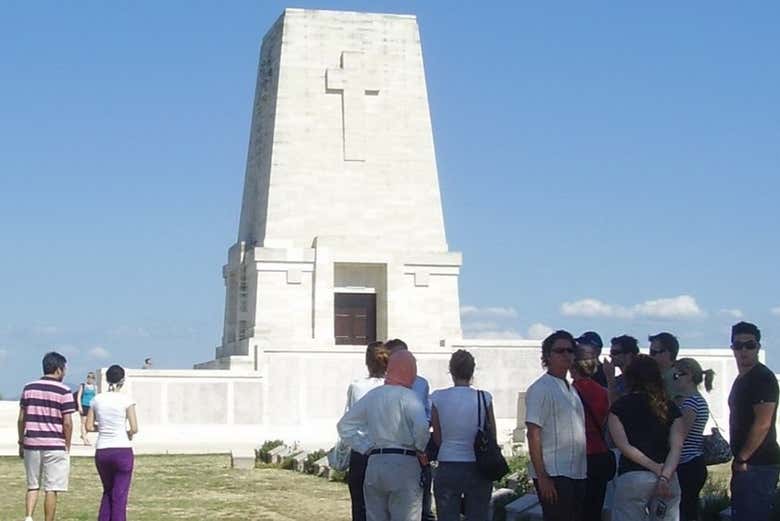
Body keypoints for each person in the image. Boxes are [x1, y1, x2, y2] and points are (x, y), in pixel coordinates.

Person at [337, 350, 430, 521]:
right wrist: (419, 447)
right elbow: (422, 427)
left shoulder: (374, 395)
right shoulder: (409, 397)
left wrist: (365, 447)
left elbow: (344, 426)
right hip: (405, 461)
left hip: (375, 462)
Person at [608, 354, 685, 521]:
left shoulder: (619, 407)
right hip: (668, 474)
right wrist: (664, 474)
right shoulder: (670, 407)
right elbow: (677, 447)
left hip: (633, 475)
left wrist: (653, 466)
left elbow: (624, 446)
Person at [525, 330, 587, 521]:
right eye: (560, 350)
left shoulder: (572, 389)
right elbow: (533, 433)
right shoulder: (539, 389)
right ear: (547, 356)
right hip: (553, 472)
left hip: (577, 471)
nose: (566, 355)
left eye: (570, 350)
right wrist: (542, 476)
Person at [430, 350, 494, 521]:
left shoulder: (437, 397)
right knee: (478, 515)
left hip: (448, 462)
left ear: (450, 370)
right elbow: (491, 433)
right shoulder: (484, 397)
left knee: (447, 516)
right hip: (477, 465)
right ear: (473, 370)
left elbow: (437, 437)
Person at [727, 321, 780, 521]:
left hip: (759, 464)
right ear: (732, 348)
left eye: (749, 345)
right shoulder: (741, 379)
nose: (744, 350)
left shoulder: (762, 378)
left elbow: (763, 423)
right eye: (738, 345)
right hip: (746, 464)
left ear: (758, 346)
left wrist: (743, 458)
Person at [17, 351, 77, 521]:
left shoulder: (29, 388)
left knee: (33, 485)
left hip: (32, 442)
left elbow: (22, 418)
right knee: (51, 488)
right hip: (55, 443)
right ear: (58, 369)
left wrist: (21, 441)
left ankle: (28, 517)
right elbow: (67, 422)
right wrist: (67, 444)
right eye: (64, 369)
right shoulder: (64, 391)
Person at [385, 338, 435, 521]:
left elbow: (427, 413)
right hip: (393, 447)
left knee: (422, 499)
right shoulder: (383, 386)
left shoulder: (421, 383)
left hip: (417, 448)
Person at [345, 342, 391, 521]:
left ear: (367, 362)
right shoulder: (396, 389)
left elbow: (348, 422)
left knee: (360, 509)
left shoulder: (357, 387)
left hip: (362, 453)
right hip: (387, 452)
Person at [86, 364, 138, 521]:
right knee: (120, 496)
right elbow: (134, 427)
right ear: (122, 380)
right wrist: (128, 433)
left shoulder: (97, 399)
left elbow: (88, 426)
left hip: (103, 450)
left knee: (108, 491)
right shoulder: (126, 400)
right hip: (122, 449)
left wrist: (101, 427)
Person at [571, 341, 614, 521]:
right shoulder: (604, 392)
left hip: (578, 455)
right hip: (600, 454)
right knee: (594, 509)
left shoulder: (569, 392)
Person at [672, 358, 714, 521]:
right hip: (693, 462)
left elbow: (681, 434)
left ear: (688, 375)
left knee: (685, 511)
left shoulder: (691, 403)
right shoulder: (696, 400)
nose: (674, 380)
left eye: (677, 376)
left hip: (687, 464)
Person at [603, 335, 639, 404]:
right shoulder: (618, 380)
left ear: (628, 355)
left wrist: (610, 377)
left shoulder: (636, 380)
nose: (611, 356)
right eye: (611, 352)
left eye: (615, 353)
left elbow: (616, 405)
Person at [649, 332, 680, 400]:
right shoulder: (654, 376)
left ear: (668, 353)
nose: (650, 356)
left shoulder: (679, 379)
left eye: (653, 352)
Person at [76, 371, 97, 446]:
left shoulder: (95, 387)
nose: (90, 379)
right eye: (89, 377)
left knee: (90, 423)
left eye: (92, 377)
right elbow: (78, 396)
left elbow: (96, 397)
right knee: (83, 423)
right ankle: (85, 439)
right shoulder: (83, 385)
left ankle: (83, 435)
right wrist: (79, 406)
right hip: (84, 405)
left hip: (91, 407)